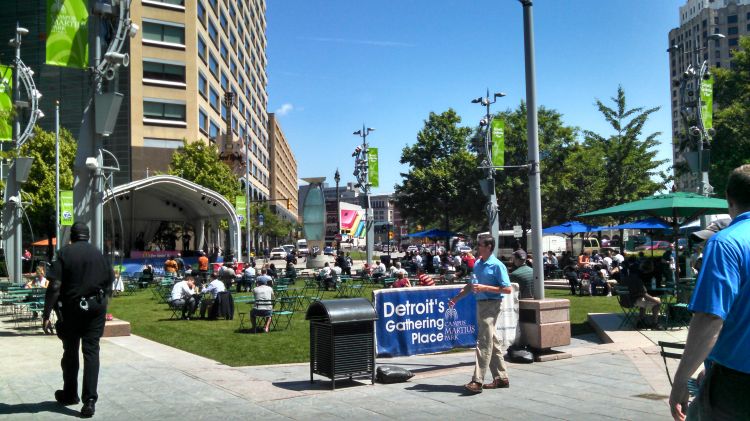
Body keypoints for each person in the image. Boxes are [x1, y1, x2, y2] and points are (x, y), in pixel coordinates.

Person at [670, 165, 750, 420]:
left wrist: (681, 380)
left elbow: (710, 318)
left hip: (737, 384)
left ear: (729, 198)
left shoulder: (726, 243)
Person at [42, 222, 114, 418]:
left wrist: (47, 313)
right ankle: (89, 400)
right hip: (96, 308)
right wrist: (101, 302)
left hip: (72, 308)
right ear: (88, 236)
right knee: (91, 352)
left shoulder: (64, 253)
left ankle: (70, 393)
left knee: (71, 351)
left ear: (71, 237)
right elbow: (110, 282)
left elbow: (55, 285)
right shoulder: (100, 255)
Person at [449, 234, 511, 394]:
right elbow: (471, 284)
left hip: (491, 305)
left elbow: (507, 289)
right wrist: (457, 298)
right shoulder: (477, 263)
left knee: (483, 342)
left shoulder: (497, 266)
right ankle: (501, 378)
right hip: (480, 304)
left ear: (489, 247)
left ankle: (477, 381)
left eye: (481, 244)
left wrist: (485, 288)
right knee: (492, 340)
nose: (478, 247)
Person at [622, 257, 661, 329]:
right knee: (657, 302)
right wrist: (656, 301)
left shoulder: (630, 276)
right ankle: (654, 324)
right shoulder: (638, 279)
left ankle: (641, 322)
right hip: (632, 301)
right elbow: (644, 294)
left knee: (643, 301)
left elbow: (641, 294)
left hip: (626, 300)